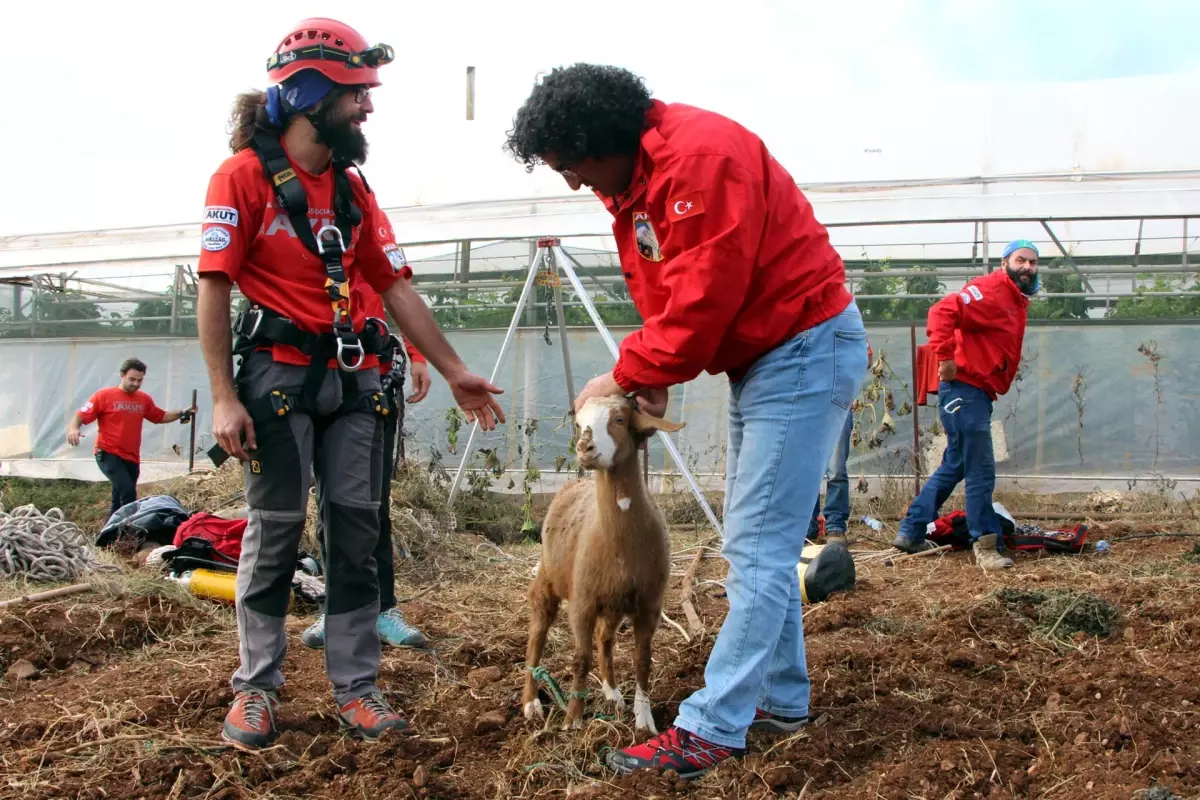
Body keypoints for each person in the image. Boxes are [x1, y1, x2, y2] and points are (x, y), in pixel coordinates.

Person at [505, 63, 868, 780]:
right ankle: (780, 699)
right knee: (755, 541)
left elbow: (702, 305)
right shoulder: (641, 178)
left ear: (601, 138)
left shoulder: (699, 161)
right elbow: (672, 287)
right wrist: (657, 372)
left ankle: (712, 727)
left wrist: (630, 372)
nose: (574, 182)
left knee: (758, 551)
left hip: (800, 350)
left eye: (573, 165)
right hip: (771, 357)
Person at [196, 17, 505, 751]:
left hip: (357, 378)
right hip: (276, 378)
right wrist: (222, 395)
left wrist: (454, 366)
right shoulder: (240, 178)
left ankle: (358, 688)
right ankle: (257, 688)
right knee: (273, 533)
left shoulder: (355, 189)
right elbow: (214, 289)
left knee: (358, 533)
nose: (368, 107)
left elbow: (393, 288)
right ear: (308, 93)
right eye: (356, 94)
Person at [302, 265, 433, 650]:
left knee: (372, 504)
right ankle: (337, 608)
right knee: (329, 504)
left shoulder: (366, 230)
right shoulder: (303, 235)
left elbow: (399, 294)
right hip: (314, 380)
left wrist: (416, 353)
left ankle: (383, 608)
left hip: (372, 385)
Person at [891, 239, 1040, 569]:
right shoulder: (993, 289)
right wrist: (944, 356)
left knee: (955, 464)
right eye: (1021, 260)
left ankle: (911, 530)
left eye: (1032, 262)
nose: (1027, 267)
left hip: (976, 391)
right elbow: (942, 311)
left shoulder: (1015, 299)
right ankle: (985, 544)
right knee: (980, 468)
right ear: (1005, 264)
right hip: (964, 389)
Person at [67, 358, 196, 519]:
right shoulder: (104, 396)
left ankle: (109, 538)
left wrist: (182, 413)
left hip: (132, 457)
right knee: (127, 491)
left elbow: (160, 416)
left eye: (140, 380)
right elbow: (80, 415)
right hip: (108, 453)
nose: (136, 384)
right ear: (122, 375)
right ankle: (130, 533)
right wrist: (73, 429)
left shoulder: (143, 399)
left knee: (118, 499)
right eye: (132, 379)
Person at [807, 341, 872, 543]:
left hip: (838, 403)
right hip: (807, 404)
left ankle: (835, 527)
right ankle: (807, 528)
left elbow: (867, 359)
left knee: (836, 470)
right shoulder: (803, 326)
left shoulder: (846, 323)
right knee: (808, 470)